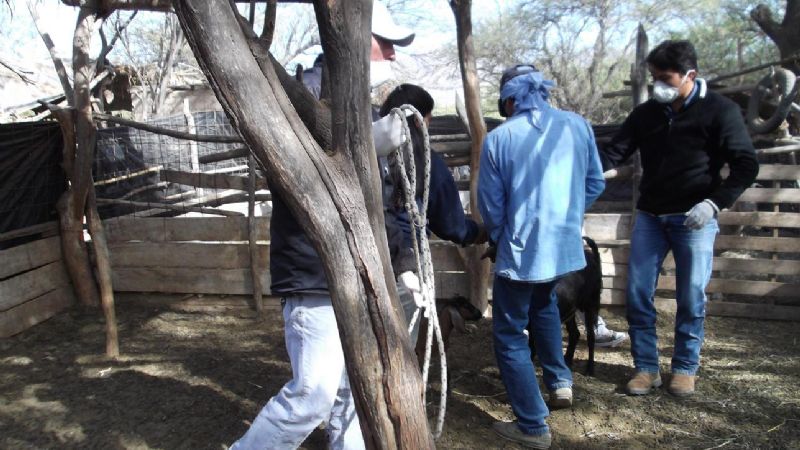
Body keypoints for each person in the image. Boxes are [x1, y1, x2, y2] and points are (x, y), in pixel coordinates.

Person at [229, 3, 414, 449]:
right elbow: (298, 174)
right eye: (386, 43)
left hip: (359, 273)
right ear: (355, 36)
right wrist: (364, 148)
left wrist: (405, 260)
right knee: (312, 396)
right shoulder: (303, 98)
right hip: (316, 272)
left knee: (356, 386)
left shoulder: (366, 110)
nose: (392, 54)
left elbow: (378, 204)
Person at [599, 40, 758, 397]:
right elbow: (614, 153)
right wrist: (580, 166)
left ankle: (685, 367)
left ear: (690, 75)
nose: (658, 84)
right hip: (651, 217)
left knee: (690, 296)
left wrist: (714, 203)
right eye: (654, 77)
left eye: (665, 77)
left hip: (694, 218)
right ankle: (646, 368)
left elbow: (747, 164)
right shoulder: (646, 114)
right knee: (637, 292)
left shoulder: (720, 111)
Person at [478, 64, 605, 448]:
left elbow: (491, 207)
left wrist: (501, 238)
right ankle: (560, 381)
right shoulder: (577, 126)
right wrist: (565, 219)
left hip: (521, 252)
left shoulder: (499, 139)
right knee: (545, 306)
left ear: (509, 101)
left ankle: (532, 425)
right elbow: (595, 182)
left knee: (509, 333)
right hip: (563, 249)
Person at [378, 83, 485, 342]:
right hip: (407, 261)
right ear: (419, 121)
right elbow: (451, 225)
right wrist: (480, 232)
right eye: (428, 117)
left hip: (368, 255)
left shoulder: (373, 156)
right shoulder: (427, 163)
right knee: (402, 341)